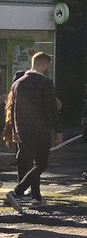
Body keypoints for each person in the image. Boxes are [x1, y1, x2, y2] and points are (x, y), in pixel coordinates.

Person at [6, 52, 62, 211]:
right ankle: (17, 191)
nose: (47, 68)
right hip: (40, 129)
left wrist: (16, 131)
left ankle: (36, 197)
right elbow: (51, 109)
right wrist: (58, 130)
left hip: (22, 130)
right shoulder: (45, 83)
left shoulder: (18, 83)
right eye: (47, 65)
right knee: (41, 164)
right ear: (43, 65)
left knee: (32, 164)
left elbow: (14, 110)